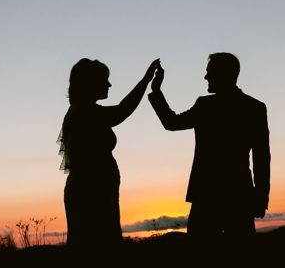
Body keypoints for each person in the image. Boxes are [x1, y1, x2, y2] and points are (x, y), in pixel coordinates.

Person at [148, 53, 270, 240]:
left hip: (208, 196)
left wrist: (156, 91)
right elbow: (261, 158)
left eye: (209, 72)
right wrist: (261, 197)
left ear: (224, 74)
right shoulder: (253, 107)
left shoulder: (206, 106)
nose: (206, 77)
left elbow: (171, 122)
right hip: (237, 194)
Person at [59, 57, 160, 249]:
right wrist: (146, 80)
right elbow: (122, 110)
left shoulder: (83, 111)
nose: (109, 84)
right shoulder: (84, 113)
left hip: (97, 190)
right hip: (92, 193)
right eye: (104, 79)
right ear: (89, 83)